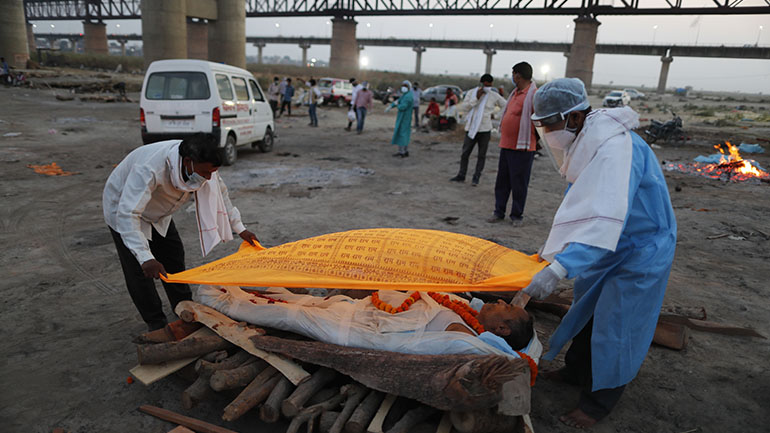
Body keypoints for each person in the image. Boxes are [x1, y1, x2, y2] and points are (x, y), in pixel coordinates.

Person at [521, 78, 677, 429]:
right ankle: (577, 371)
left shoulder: (614, 151)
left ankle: (598, 401)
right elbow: (584, 208)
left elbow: (605, 220)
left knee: (618, 324)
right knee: (588, 311)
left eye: (548, 124)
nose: (546, 132)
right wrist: (554, 252)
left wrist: (559, 269)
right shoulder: (591, 141)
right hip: (609, 245)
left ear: (574, 118)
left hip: (639, 248)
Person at [102, 133, 259, 331]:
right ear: (188, 162)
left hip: (160, 213)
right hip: (124, 211)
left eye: (212, 172)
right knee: (140, 272)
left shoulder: (203, 166)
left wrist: (240, 228)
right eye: (205, 173)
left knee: (173, 257)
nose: (208, 178)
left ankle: (184, 308)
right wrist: (145, 257)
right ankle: (156, 323)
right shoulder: (149, 168)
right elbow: (129, 213)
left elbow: (221, 193)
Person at [489, 62, 539, 225]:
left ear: (518, 75)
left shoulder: (533, 95)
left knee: (519, 183)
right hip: (507, 144)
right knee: (502, 181)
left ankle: (517, 215)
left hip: (523, 147)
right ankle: (499, 211)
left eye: (513, 73)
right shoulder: (514, 94)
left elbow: (539, 121)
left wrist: (535, 142)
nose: (512, 77)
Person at [450, 74, 506, 186]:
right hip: (471, 128)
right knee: (465, 153)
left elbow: (505, 105)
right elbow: (464, 107)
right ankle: (461, 174)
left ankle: (476, 177)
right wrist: (476, 98)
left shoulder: (493, 95)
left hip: (485, 129)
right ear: (481, 84)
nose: (487, 88)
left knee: (481, 155)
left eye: (489, 86)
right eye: (485, 85)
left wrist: (495, 116)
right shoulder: (471, 93)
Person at [385, 80, 414, 157]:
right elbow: (398, 101)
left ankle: (402, 152)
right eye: (403, 85)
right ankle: (404, 150)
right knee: (404, 134)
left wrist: (397, 105)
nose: (403, 87)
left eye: (405, 86)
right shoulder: (405, 95)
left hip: (405, 118)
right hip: (403, 117)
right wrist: (391, 106)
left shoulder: (408, 96)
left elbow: (403, 107)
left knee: (402, 134)